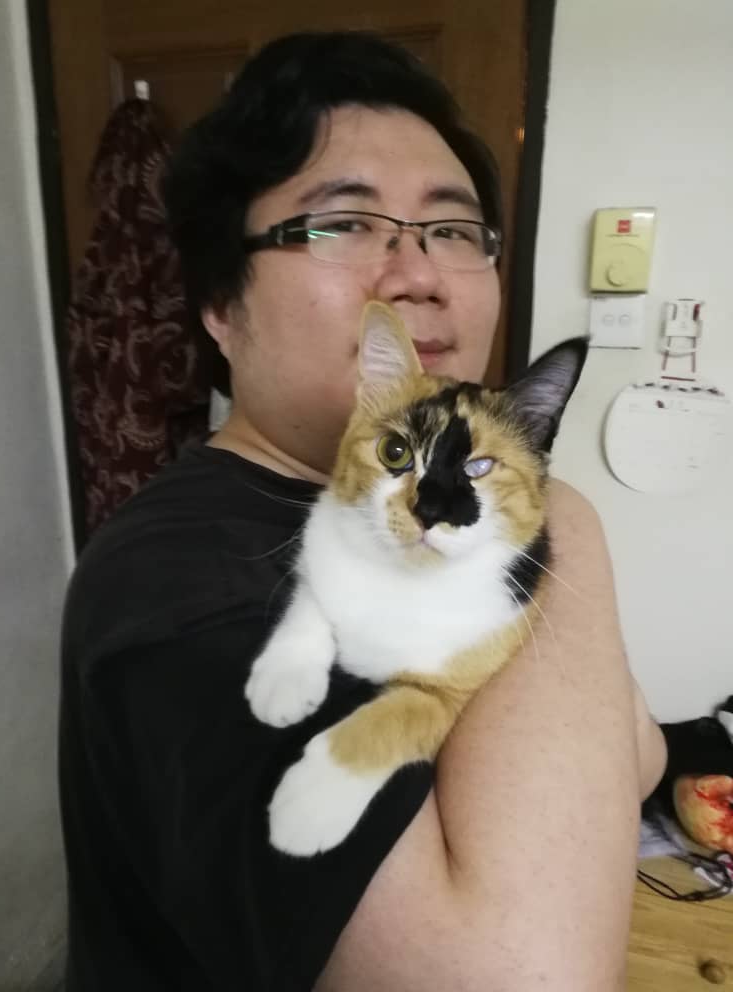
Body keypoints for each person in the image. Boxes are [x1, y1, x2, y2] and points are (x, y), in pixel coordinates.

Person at [58, 31, 667, 991]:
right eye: (343, 223)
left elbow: (642, 756)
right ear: (220, 306)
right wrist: (555, 507)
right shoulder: (188, 581)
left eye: (454, 231)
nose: (418, 273)